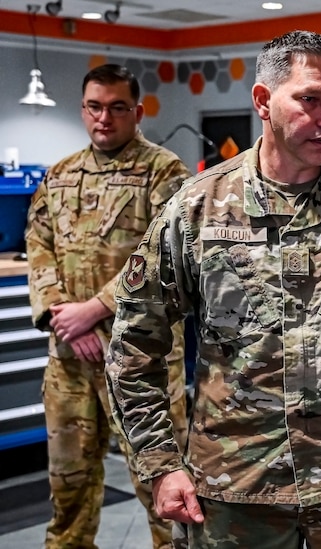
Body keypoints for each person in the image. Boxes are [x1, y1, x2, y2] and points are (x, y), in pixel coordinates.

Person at [105, 30, 321, 548]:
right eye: (310, 100)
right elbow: (134, 345)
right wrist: (159, 464)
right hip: (235, 493)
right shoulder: (196, 210)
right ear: (264, 101)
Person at [25, 63, 191, 549]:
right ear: (83, 110)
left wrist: (95, 309)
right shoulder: (59, 176)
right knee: (68, 485)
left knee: (164, 488)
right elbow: (38, 245)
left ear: (136, 112)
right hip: (70, 357)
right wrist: (65, 317)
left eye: (118, 107)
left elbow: (166, 256)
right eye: (95, 107)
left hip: (141, 361)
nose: (105, 118)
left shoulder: (165, 173)